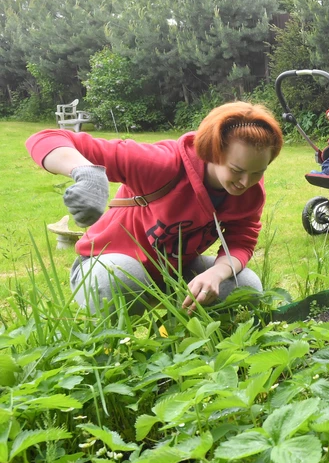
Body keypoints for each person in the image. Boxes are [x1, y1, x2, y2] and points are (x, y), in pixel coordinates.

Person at [26, 101, 284, 313]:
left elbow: (242, 240)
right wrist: (86, 173)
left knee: (246, 287)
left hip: (175, 271)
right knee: (120, 275)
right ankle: (115, 353)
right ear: (212, 152)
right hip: (108, 266)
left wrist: (217, 273)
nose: (245, 182)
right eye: (237, 170)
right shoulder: (162, 164)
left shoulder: (250, 191)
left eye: (257, 172)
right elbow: (46, 138)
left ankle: (197, 351)